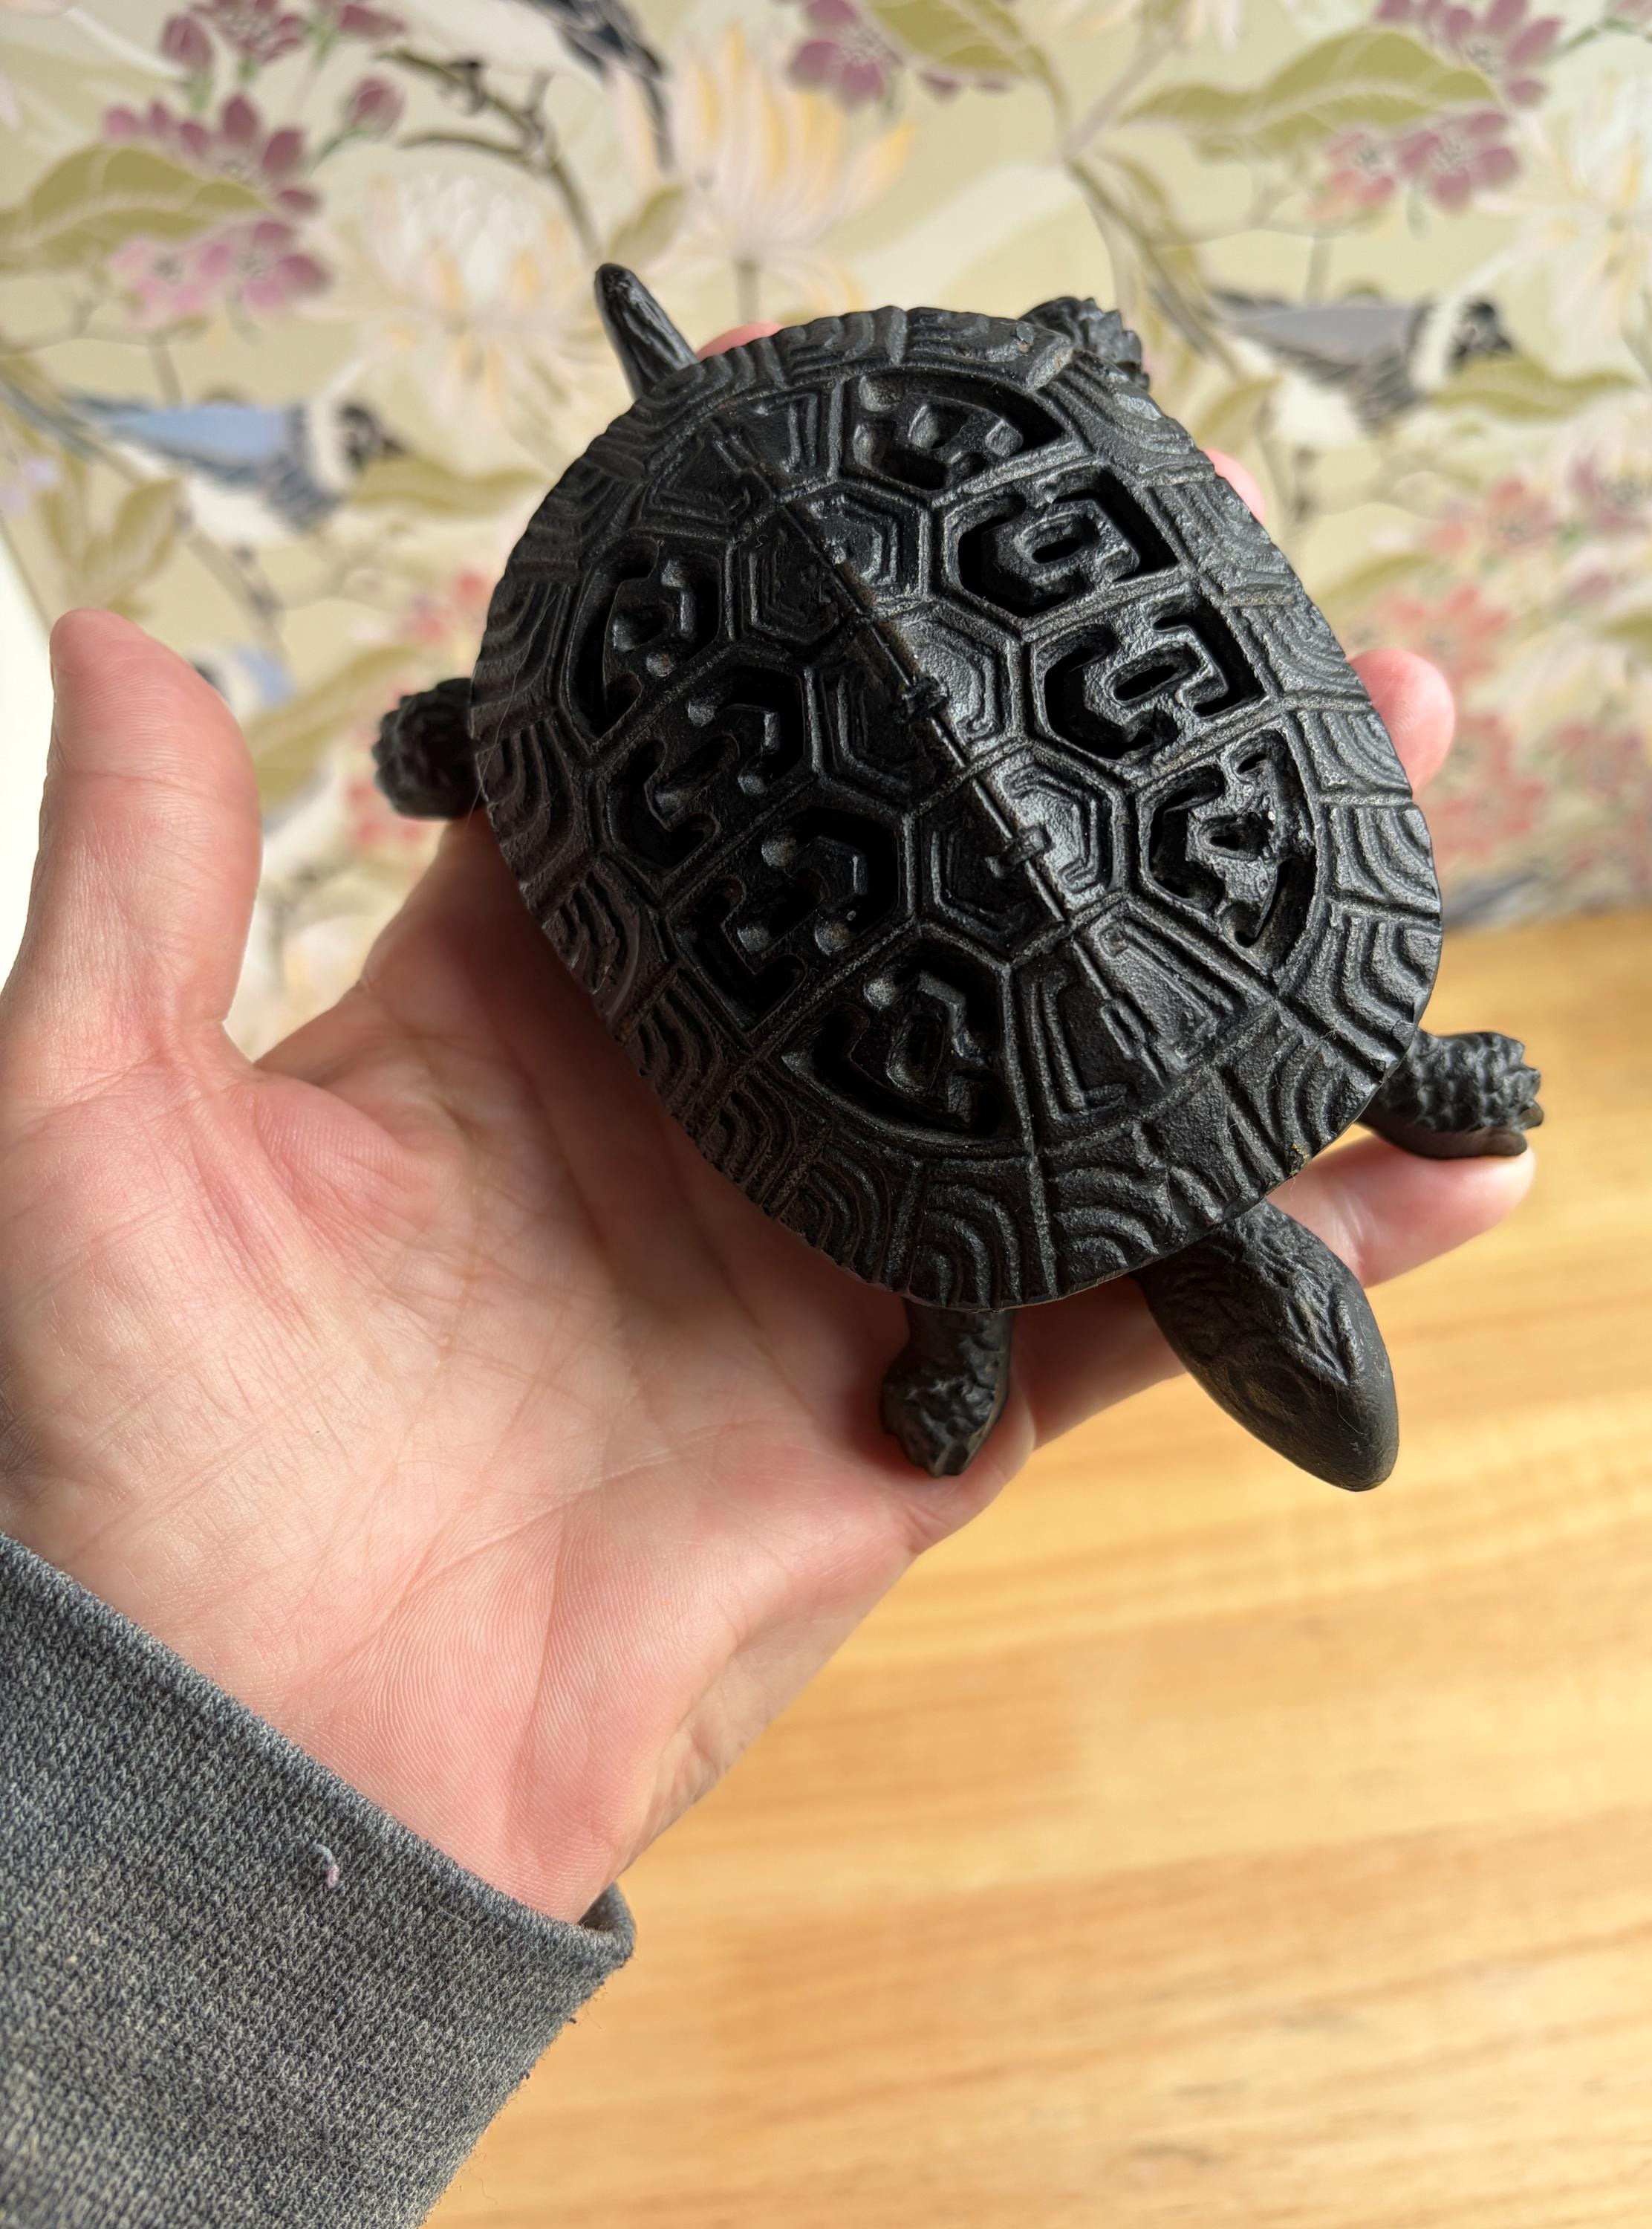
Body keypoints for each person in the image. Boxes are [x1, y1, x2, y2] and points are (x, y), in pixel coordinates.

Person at [0, 403, 1532, 2227]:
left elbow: (956, 1280)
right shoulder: (1012, 1216)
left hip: (903, 489)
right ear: (1230, 1329)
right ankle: (509, 742)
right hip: (823, 558)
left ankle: (520, 739)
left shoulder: (1279, 1034)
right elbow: (948, 1307)